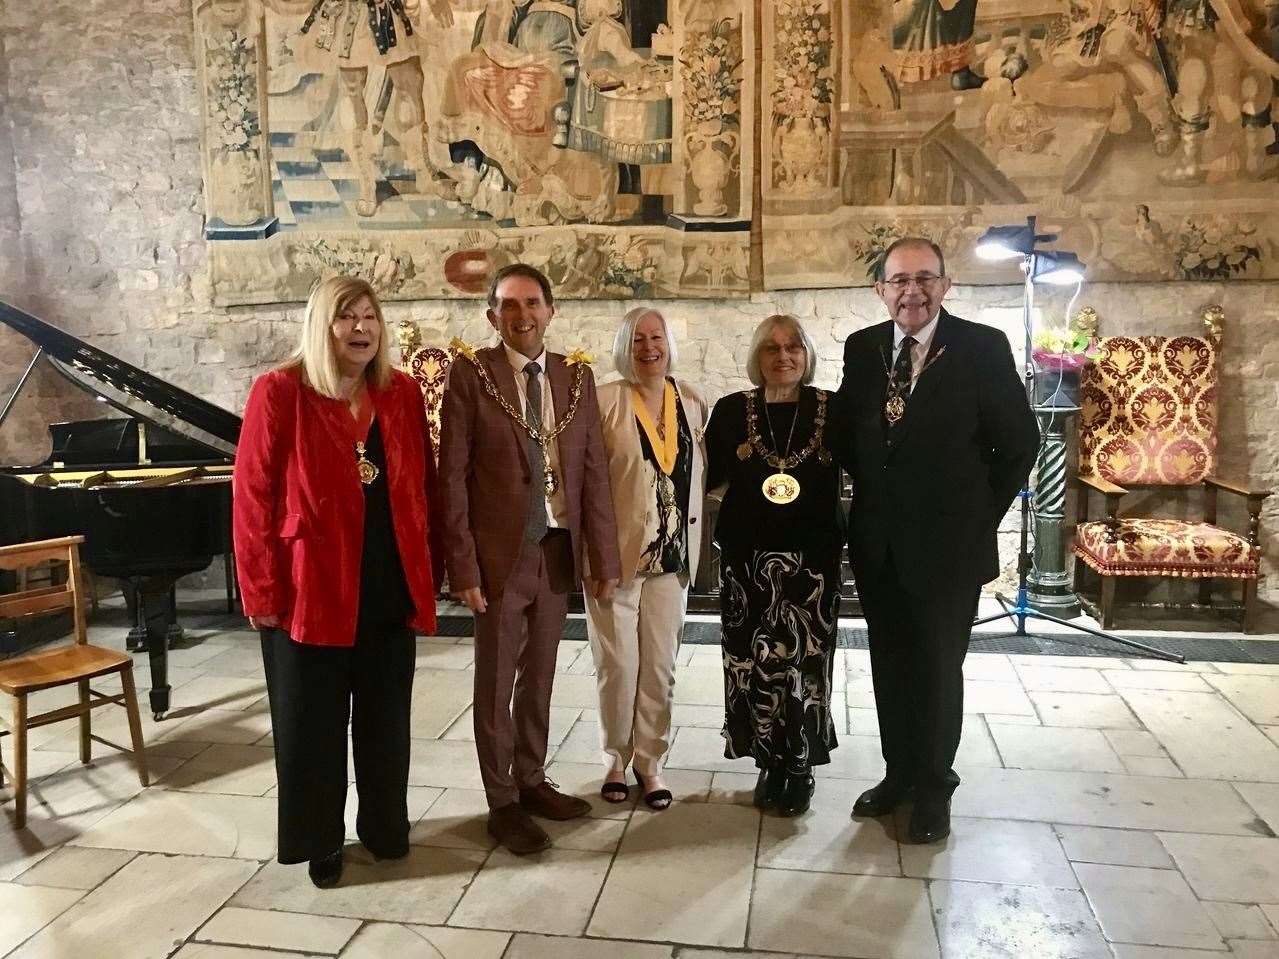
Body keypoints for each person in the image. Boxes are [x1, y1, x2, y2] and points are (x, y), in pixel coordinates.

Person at [234, 274, 443, 888]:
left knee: (385, 725)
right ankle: (319, 840)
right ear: (321, 326)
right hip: (310, 592)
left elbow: (420, 488)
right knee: (312, 730)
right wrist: (261, 592)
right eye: (347, 317)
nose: (362, 329)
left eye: (370, 317)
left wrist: (431, 572)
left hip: (385, 584)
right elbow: (252, 498)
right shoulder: (280, 392)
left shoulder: (400, 392)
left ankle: (384, 828)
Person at [838, 237, 1038, 843]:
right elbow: (851, 431)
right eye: (899, 280)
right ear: (880, 290)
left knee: (937, 668)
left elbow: (1019, 446)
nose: (912, 291)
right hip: (880, 546)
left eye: (925, 278)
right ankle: (898, 773)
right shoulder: (864, 347)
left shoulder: (981, 347)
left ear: (946, 286)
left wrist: (977, 518)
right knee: (890, 666)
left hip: (949, 550)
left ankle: (934, 787)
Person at [437, 262, 621, 854]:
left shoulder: (576, 377)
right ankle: (503, 802)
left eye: (533, 303)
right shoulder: (473, 376)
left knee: (539, 676)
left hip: (557, 552)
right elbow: (453, 479)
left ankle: (533, 778)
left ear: (551, 310)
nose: (522, 316)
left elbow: (592, 470)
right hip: (497, 558)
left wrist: (603, 556)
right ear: (492, 315)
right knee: (495, 682)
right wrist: (461, 568)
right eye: (509, 306)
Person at [704, 314, 845, 818]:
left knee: (805, 664)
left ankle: (800, 762)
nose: (783, 357)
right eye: (771, 349)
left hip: (813, 564)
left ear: (806, 356)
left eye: (793, 348)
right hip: (746, 561)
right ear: (757, 358)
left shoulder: (834, 408)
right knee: (754, 662)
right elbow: (708, 479)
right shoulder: (729, 411)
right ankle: (767, 760)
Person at [586, 307, 708, 810]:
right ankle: (616, 757)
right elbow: (587, 485)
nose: (649, 348)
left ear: (668, 343)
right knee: (617, 665)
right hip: (617, 561)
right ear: (624, 346)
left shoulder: (694, 401)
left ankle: (649, 760)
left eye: (656, 338)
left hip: (673, 560)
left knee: (659, 667)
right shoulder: (604, 401)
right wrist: (593, 556)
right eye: (637, 340)